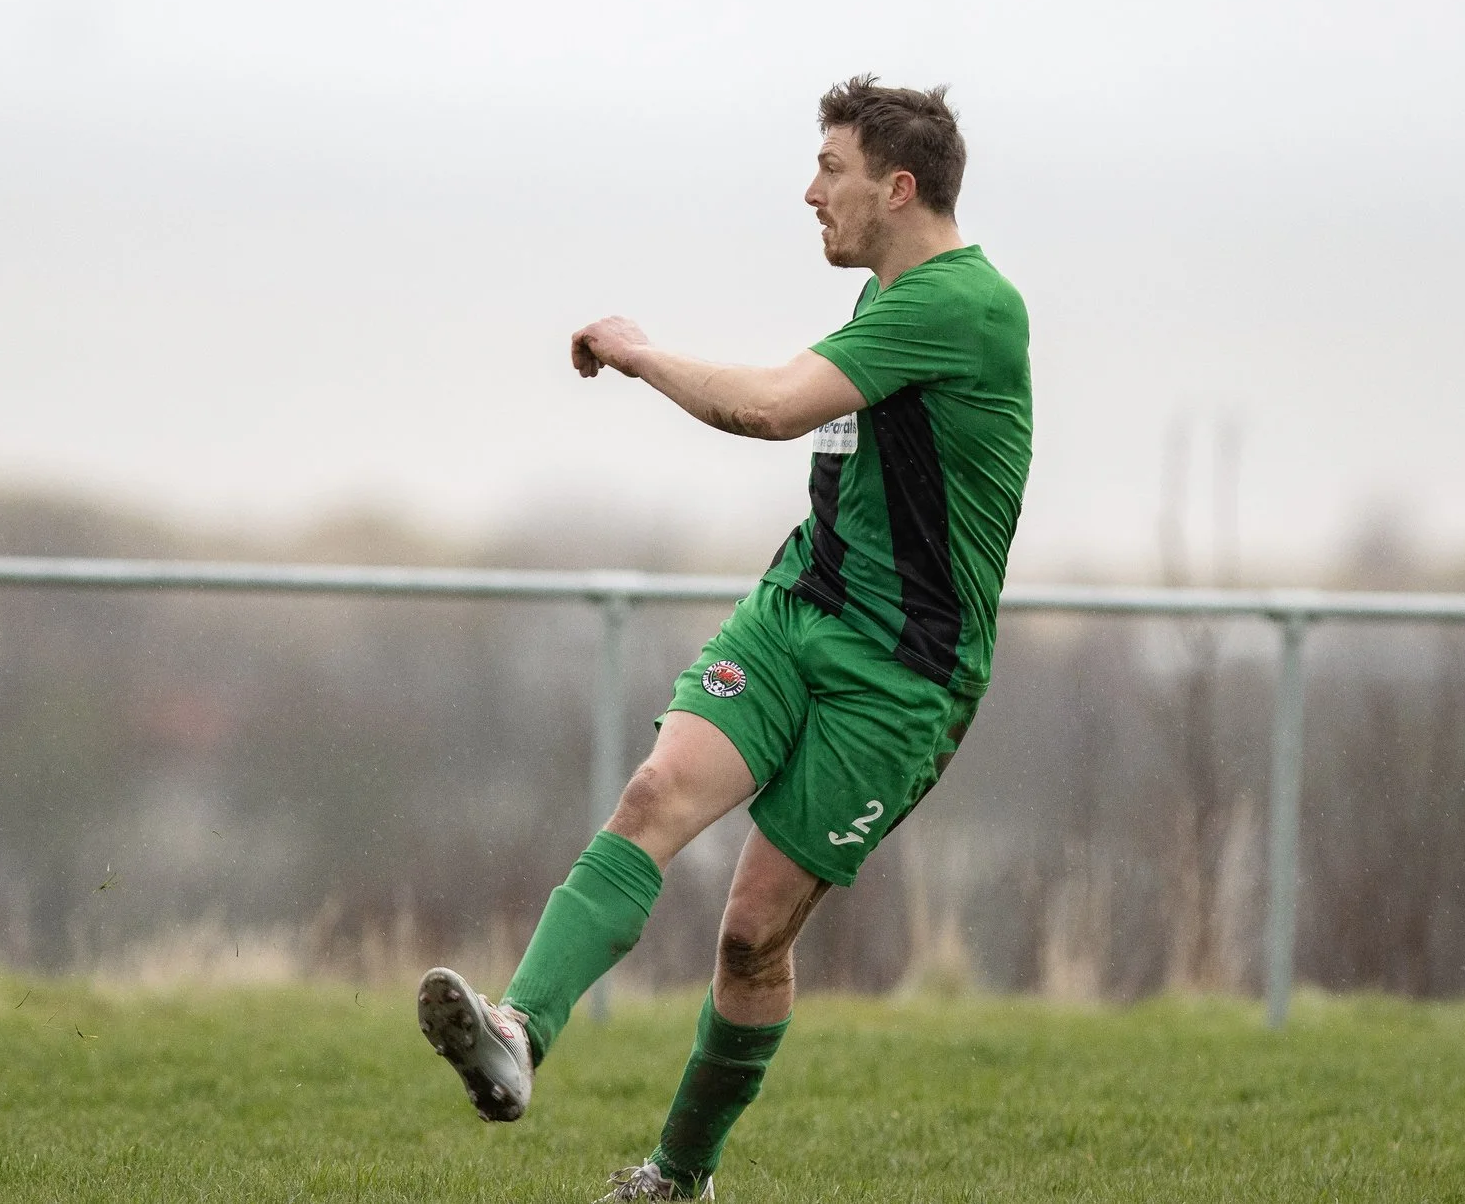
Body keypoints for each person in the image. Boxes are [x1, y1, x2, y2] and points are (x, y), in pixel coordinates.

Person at [417, 76, 1033, 1200]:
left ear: (897, 189)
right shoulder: (897, 299)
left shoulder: (962, 306)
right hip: (798, 612)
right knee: (654, 795)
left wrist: (642, 353)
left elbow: (770, 406)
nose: (810, 193)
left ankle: (679, 1177)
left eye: (831, 171)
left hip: (900, 677)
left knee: (750, 937)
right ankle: (516, 1030)